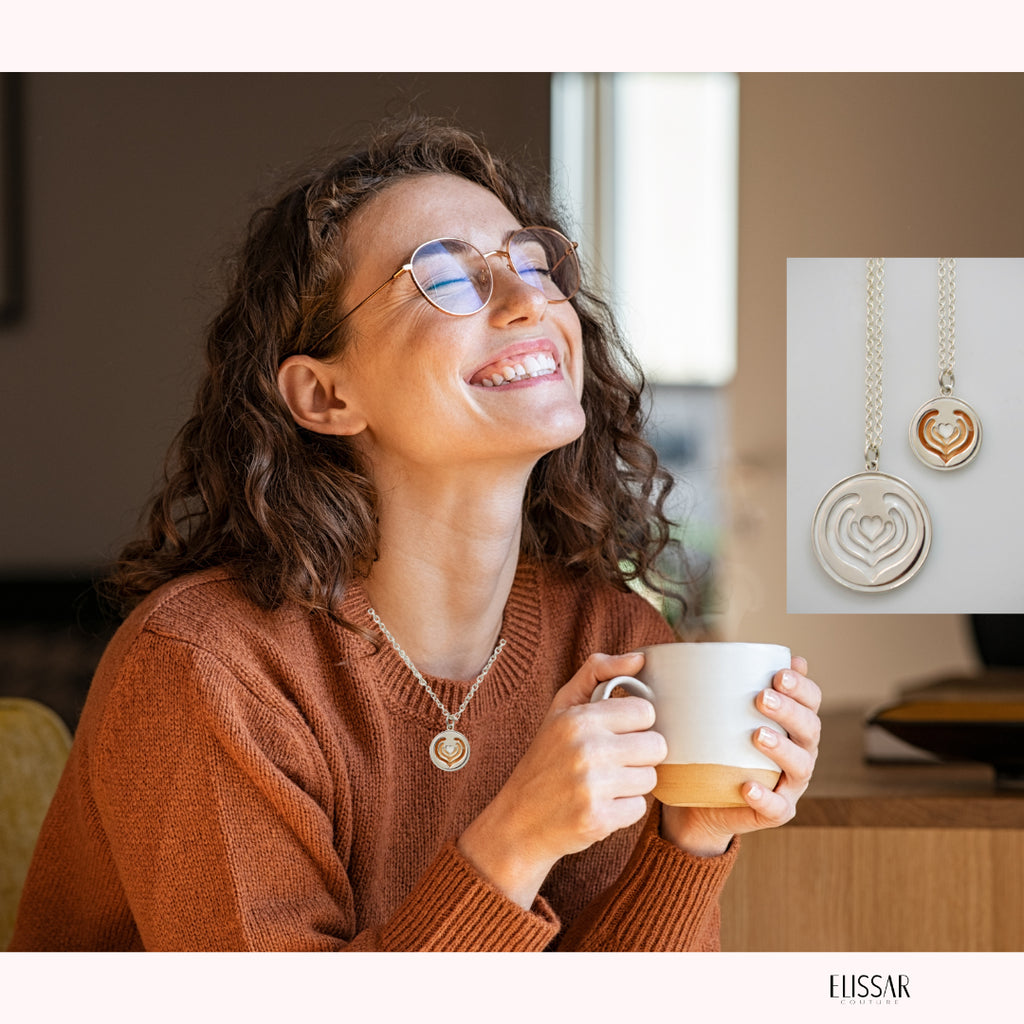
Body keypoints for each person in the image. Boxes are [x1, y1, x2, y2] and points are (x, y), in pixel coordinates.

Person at [10, 117, 821, 952]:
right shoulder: (206, 668)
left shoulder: (613, 642)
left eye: (532, 261)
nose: (530, 300)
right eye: (445, 276)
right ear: (325, 397)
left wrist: (690, 840)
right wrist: (515, 842)